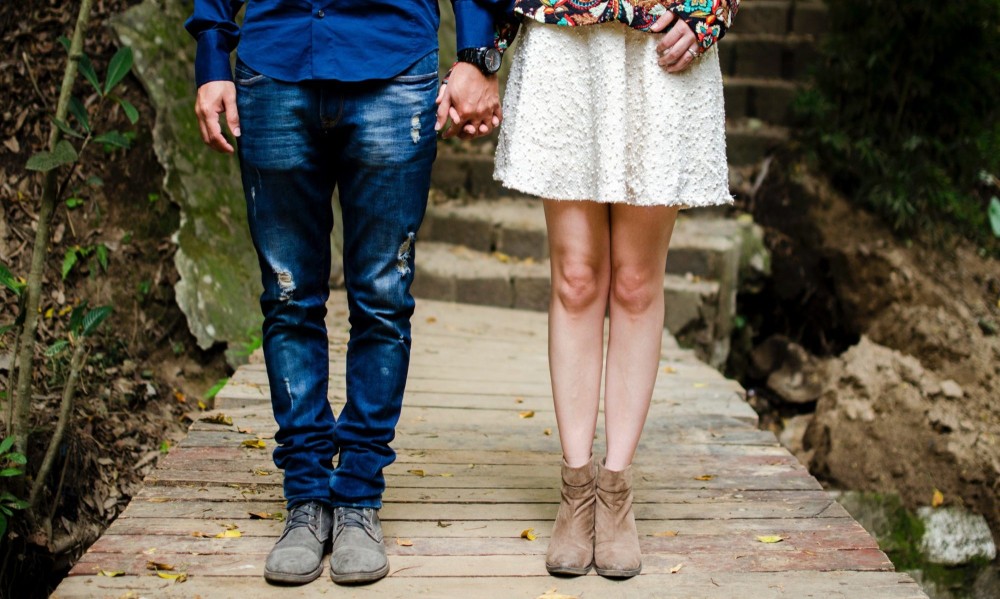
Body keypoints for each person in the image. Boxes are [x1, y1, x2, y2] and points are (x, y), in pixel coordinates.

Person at [185, 0, 511, 586]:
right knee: (288, 298)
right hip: (274, 63)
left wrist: (476, 53)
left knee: (383, 300)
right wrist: (212, 55)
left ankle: (359, 494)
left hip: (393, 64)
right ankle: (306, 495)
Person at [492, 0, 740, 579]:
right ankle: (576, 488)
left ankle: (616, 487)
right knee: (576, 279)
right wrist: (484, 49)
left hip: (662, 41)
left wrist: (713, 13)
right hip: (564, 37)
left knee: (635, 282)